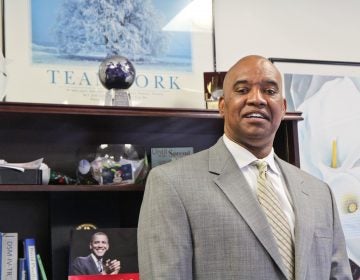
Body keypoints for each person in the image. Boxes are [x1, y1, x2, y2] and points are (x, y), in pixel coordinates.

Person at [137, 55, 352, 279]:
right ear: (222, 105)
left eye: (269, 91)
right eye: (242, 90)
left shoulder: (319, 193)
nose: (257, 99)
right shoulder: (171, 184)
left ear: (284, 107)